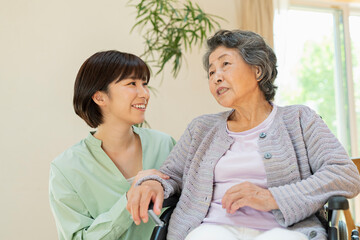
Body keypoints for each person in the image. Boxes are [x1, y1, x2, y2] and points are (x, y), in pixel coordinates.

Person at [126, 30, 360, 240]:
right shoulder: (201, 128)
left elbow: (344, 173)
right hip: (210, 228)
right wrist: (153, 184)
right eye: (211, 72)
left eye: (225, 64)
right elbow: (171, 175)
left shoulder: (299, 119)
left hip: (285, 231)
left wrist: (274, 198)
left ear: (257, 70)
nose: (216, 76)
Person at [49, 50, 175, 240]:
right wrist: (128, 202)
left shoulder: (165, 144)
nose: (145, 93)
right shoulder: (67, 169)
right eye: (132, 84)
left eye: (144, 84)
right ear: (100, 97)